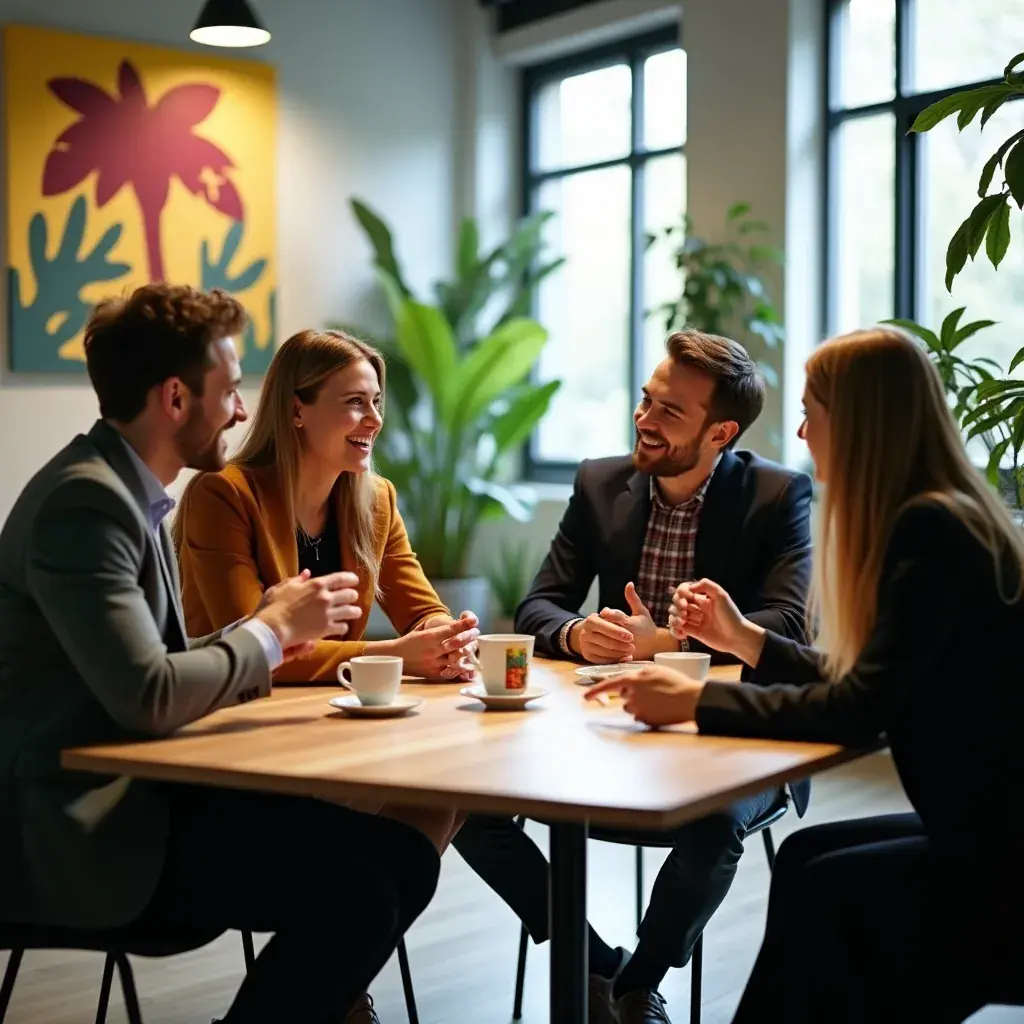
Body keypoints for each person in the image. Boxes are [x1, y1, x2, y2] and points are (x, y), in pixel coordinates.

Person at [0, 284, 440, 1024]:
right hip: (81, 835)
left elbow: (160, 663)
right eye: (230, 390)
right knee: (361, 890)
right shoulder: (87, 505)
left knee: (402, 857)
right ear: (176, 399)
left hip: (148, 797)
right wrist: (269, 633)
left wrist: (268, 627)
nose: (242, 411)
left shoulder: (127, 493)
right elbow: (146, 693)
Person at [586, 327, 1024, 1023]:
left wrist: (699, 702)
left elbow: (857, 707)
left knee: (825, 886)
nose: (800, 430)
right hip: (981, 826)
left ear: (858, 424)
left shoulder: (932, 530)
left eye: (813, 413)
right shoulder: (947, 514)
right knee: (802, 859)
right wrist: (747, 640)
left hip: (999, 855)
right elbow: (870, 676)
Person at [453, 330, 814, 1024]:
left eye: (670, 413)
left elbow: (788, 632)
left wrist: (673, 640)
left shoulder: (776, 495)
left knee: (712, 826)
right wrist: (574, 632)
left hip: (732, 731)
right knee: (472, 810)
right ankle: (596, 964)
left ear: (722, 432)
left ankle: (635, 985)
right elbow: (537, 605)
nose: (645, 420)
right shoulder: (599, 481)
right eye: (646, 401)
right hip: (608, 725)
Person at [174, 329, 480, 690]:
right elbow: (256, 647)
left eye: (375, 402)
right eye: (354, 402)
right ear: (296, 409)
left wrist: (447, 637)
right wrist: (394, 656)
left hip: (329, 709)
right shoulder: (223, 494)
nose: (375, 420)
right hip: (229, 712)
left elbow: (422, 611)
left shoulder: (378, 499)